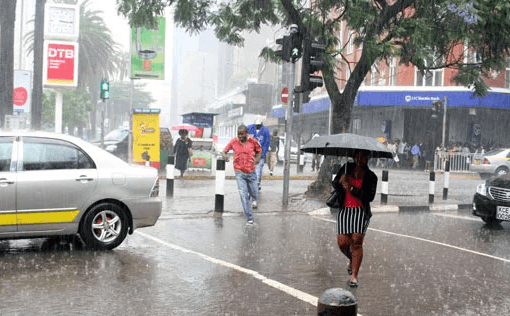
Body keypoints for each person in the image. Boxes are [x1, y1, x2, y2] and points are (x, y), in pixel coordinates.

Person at [331, 150, 378, 288]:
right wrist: (341, 182)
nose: (360, 159)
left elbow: (369, 197)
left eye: (364, 156)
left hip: (360, 212)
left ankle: (354, 276)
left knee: (357, 241)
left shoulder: (371, 176)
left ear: (368, 158)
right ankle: (353, 259)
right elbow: (335, 184)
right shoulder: (346, 168)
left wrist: (351, 188)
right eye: (358, 156)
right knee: (342, 242)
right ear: (354, 157)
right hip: (344, 210)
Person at [222, 125, 262, 224]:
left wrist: (257, 159)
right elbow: (224, 151)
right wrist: (225, 156)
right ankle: (249, 217)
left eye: (242, 134)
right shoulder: (233, 142)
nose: (240, 136)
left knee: (255, 192)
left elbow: (259, 150)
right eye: (238, 134)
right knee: (243, 195)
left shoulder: (253, 141)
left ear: (246, 133)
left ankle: (253, 198)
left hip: (251, 172)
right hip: (239, 172)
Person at [247, 116, 270, 191]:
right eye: (256, 125)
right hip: (250, 154)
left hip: (260, 154)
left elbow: (266, 143)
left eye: (259, 125)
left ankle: (256, 184)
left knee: (258, 170)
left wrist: (262, 155)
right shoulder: (249, 128)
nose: (257, 127)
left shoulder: (265, 131)